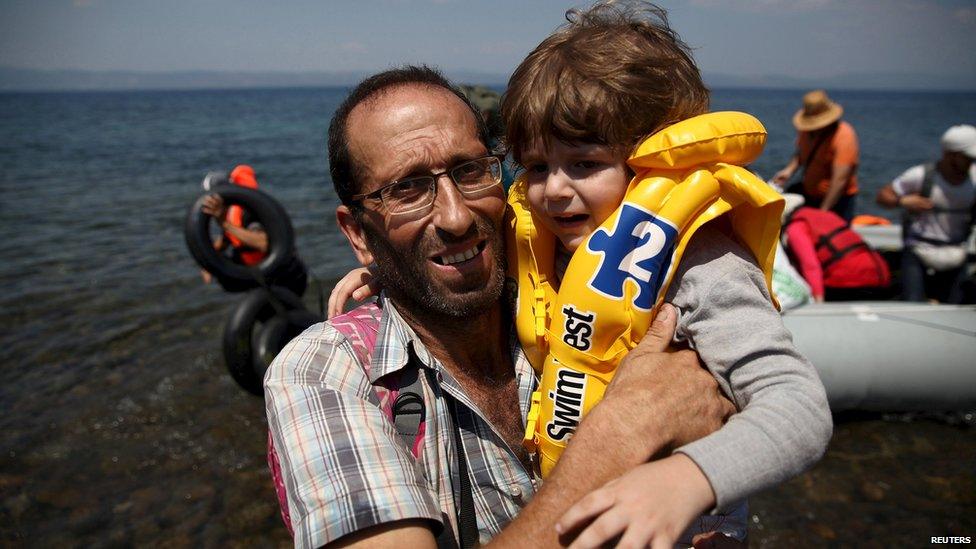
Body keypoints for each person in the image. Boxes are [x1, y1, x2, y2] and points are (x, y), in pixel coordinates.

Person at [326, 4, 831, 547]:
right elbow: (456, 247)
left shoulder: (701, 264)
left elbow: (799, 408)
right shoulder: (551, 238)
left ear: (652, 163)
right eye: (537, 166)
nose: (554, 190)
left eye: (585, 164)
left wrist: (688, 478)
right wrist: (389, 279)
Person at [265, 66, 743, 549]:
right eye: (406, 189)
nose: (456, 217)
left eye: (470, 171)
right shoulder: (325, 373)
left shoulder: (568, 281)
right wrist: (619, 438)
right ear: (357, 233)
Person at [876, 124, 976, 303]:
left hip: (957, 250)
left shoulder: (974, 180)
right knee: (913, 304)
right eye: (968, 158)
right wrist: (903, 201)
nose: (971, 163)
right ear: (950, 154)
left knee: (958, 310)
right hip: (919, 249)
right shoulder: (921, 175)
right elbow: (883, 197)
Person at [200, 164, 309, 296]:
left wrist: (224, 224)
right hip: (261, 276)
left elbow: (263, 243)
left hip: (285, 278)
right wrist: (206, 263)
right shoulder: (230, 214)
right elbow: (225, 240)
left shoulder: (247, 212)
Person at [781, 194, 891, 302]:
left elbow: (810, 266)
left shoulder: (796, 227)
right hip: (881, 275)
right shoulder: (827, 214)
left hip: (849, 281)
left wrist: (818, 300)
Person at [772, 90, 860, 222]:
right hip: (809, 195)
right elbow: (801, 153)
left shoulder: (844, 136)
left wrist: (823, 210)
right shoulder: (807, 132)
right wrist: (789, 171)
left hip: (838, 201)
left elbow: (839, 181)